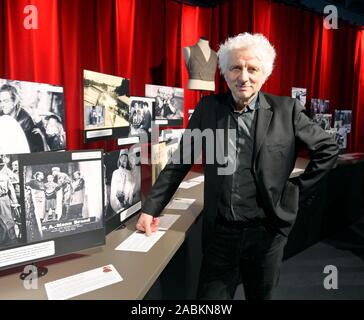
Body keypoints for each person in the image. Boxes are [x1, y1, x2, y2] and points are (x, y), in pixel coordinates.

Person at [136, 33, 339, 300]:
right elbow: (180, 161)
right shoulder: (209, 108)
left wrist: (296, 190)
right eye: (236, 67)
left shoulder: (286, 110)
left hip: (267, 232)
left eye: (252, 68)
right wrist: (151, 208)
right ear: (225, 72)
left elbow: (328, 149)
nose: (244, 76)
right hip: (221, 233)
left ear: (264, 73)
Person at [0, 84, 47, 152]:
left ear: (15, 101)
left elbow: (31, 150)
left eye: (6, 101)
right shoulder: (1, 114)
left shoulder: (26, 121)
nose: (2, 105)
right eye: (0, 101)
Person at [0, 156, 19, 246]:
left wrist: (14, 202)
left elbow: (11, 189)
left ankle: (12, 239)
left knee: (8, 219)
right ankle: (2, 239)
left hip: (4, 198)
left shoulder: (5, 177)